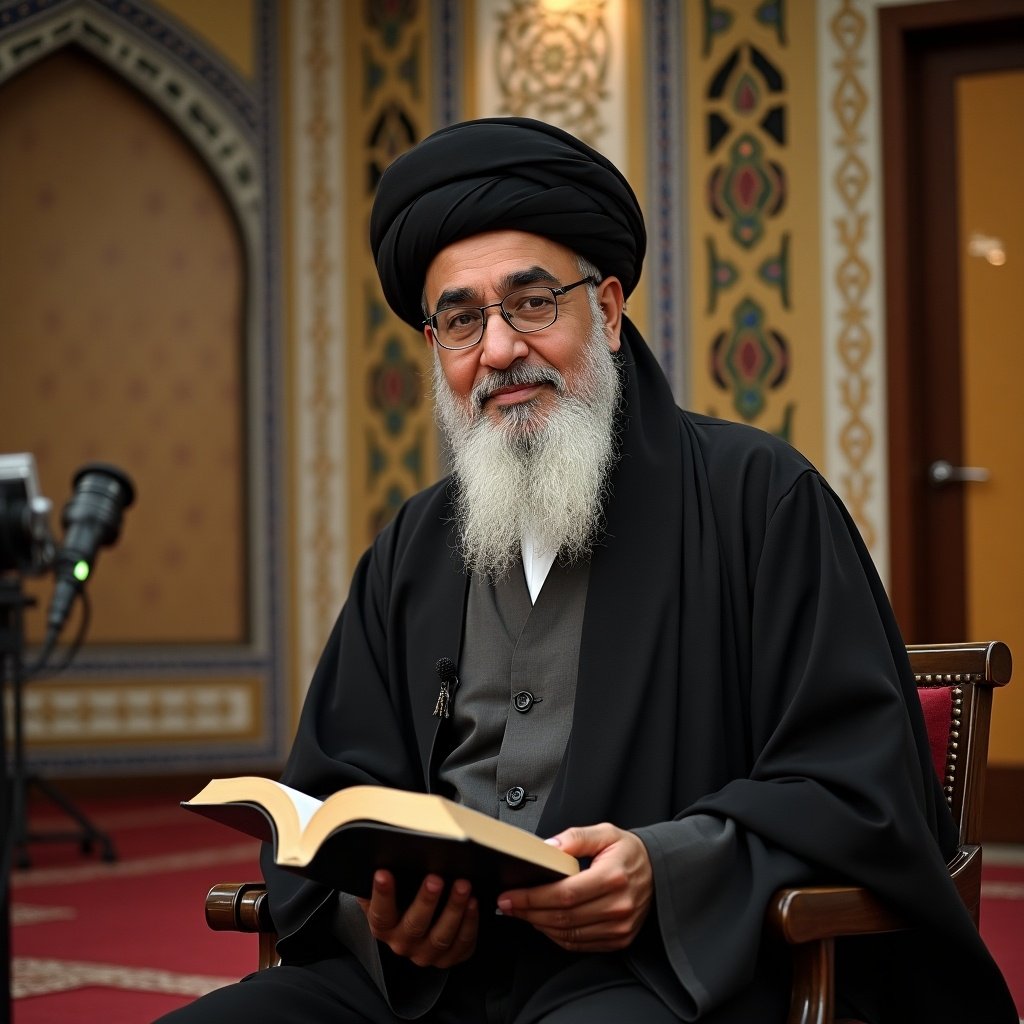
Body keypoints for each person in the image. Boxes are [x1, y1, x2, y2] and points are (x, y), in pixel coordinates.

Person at [156, 118, 1016, 1023]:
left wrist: (670, 866)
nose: (497, 350)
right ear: (437, 350)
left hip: (656, 976)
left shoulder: (761, 500)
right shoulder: (413, 544)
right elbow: (332, 790)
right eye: (460, 320)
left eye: (531, 303)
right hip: (420, 989)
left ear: (605, 310)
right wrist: (383, 908)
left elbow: (856, 790)